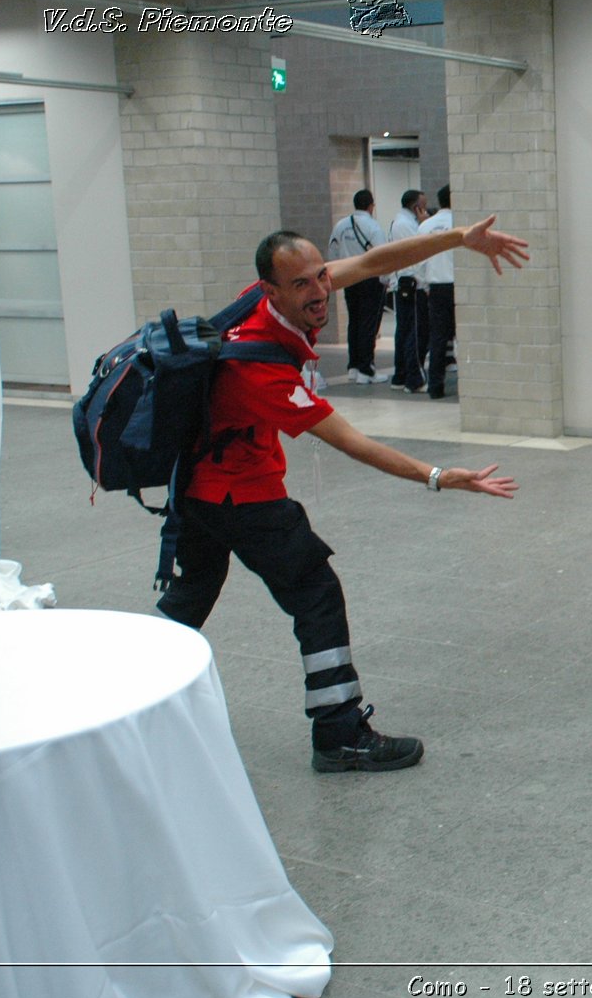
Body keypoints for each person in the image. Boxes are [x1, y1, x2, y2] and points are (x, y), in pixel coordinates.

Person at [157, 218, 529, 772]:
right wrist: (436, 475)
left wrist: (457, 240)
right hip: (241, 496)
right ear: (271, 290)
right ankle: (339, 733)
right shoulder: (261, 371)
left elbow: (377, 262)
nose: (320, 292)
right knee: (315, 590)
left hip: (197, 491)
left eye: (321, 278)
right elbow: (351, 441)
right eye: (303, 285)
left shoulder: (258, 305)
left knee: (186, 605)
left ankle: (121, 700)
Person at [325, 189, 390, 384]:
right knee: (368, 324)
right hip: (370, 279)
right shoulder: (373, 227)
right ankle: (366, 369)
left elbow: (333, 250)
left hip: (349, 277)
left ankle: (353, 366)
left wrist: (337, 275)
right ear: (371, 206)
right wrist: (385, 279)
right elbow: (383, 256)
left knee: (354, 322)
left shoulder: (341, 226)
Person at [388, 189, 430, 393]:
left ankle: (400, 374)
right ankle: (413, 378)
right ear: (416, 206)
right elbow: (418, 252)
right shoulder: (407, 225)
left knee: (404, 330)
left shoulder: (400, 222)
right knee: (413, 332)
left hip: (404, 282)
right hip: (412, 284)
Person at [417, 185, 457, 399]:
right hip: (457, 286)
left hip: (436, 287)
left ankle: (435, 386)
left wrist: (425, 286)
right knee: (463, 338)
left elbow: (419, 260)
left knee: (438, 338)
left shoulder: (426, 226)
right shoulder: (460, 225)